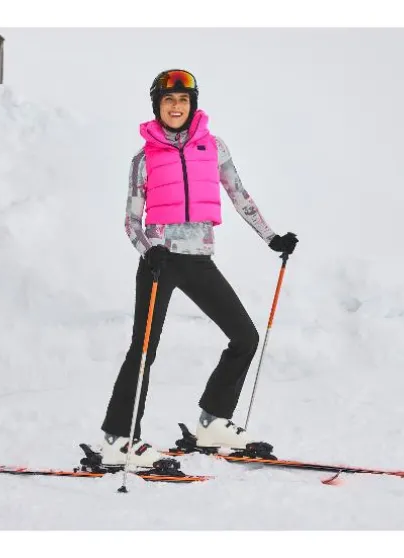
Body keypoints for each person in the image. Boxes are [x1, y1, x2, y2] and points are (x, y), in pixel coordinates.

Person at [100, 69, 298, 467]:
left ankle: (212, 422)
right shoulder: (143, 159)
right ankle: (118, 440)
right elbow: (131, 221)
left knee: (245, 337)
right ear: (157, 106)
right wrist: (149, 251)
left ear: (192, 105)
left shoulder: (214, 148)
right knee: (143, 349)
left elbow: (240, 195)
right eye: (168, 100)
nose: (176, 107)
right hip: (160, 264)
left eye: (183, 100)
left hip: (199, 260)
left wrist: (271, 237)